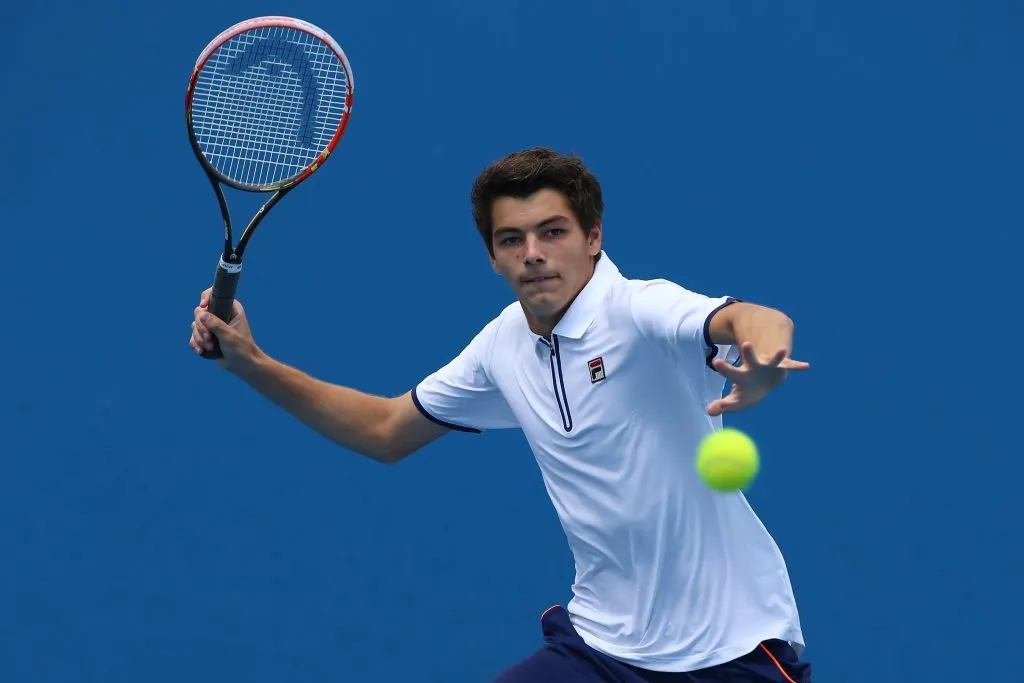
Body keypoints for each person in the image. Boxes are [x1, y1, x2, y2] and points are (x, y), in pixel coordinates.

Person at [188, 147, 812, 682]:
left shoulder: (642, 311)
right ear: (493, 256)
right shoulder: (503, 346)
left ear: (594, 237)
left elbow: (754, 319)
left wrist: (761, 359)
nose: (533, 253)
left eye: (554, 232)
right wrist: (253, 364)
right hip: (601, 648)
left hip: (729, 651)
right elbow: (385, 431)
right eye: (511, 239)